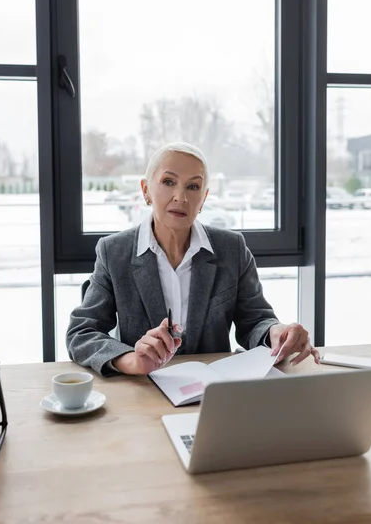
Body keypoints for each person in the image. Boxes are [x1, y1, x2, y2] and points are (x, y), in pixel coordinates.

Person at [67, 142, 320, 376]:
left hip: (213, 392)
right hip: (142, 389)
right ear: (146, 190)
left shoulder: (232, 248)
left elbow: (255, 320)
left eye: (193, 186)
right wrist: (131, 360)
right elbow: (82, 332)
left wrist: (275, 332)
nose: (181, 197)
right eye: (168, 182)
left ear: (204, 199)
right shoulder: (114, 252)